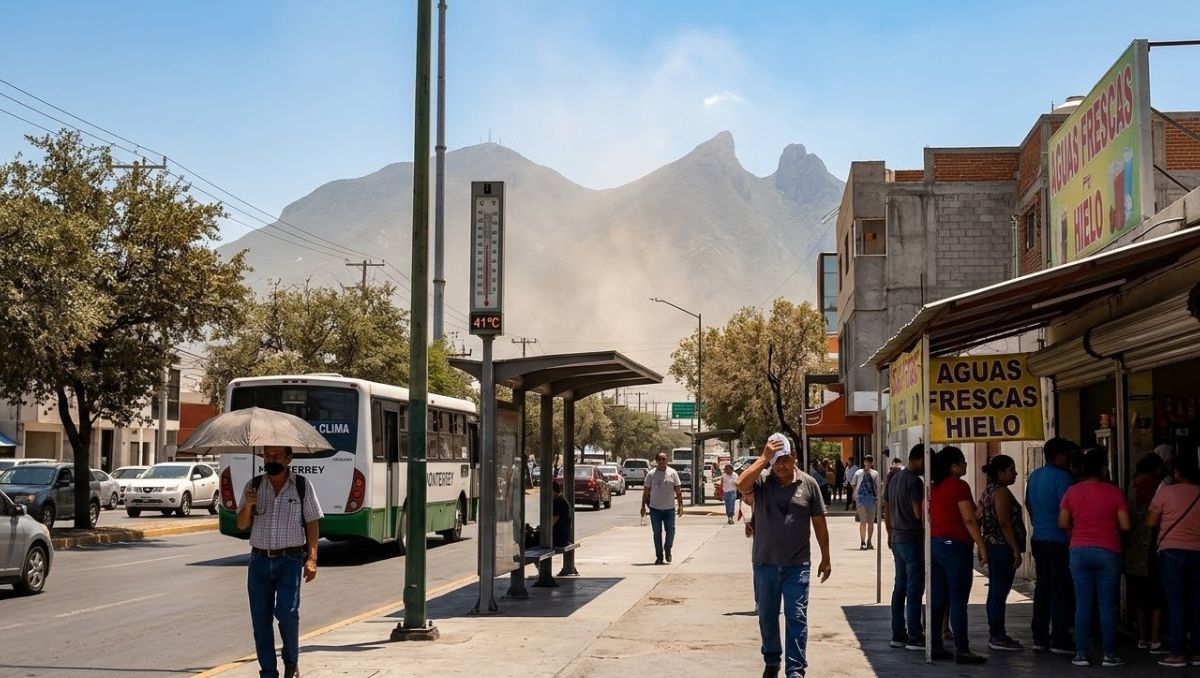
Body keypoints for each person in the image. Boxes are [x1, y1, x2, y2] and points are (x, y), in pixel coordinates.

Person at [736, 433, 832, 678]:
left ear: (795, 459)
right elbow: (741, 484)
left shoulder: (809, 484)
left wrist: (826, 557)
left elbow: (819, 523)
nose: (781, 465)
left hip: (797, 566)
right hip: (765, 563)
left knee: (796, 617)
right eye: (776, 460)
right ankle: (771, 660)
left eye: (785, 459)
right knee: (767, 617)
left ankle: (795, 669)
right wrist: (763, 458)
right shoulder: (763, 480)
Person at [236, 445, 322, 678]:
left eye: (276, 456)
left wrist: (312, 558)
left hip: (290, 560)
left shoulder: (302, 486)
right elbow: (242, 524)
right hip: (259, 561)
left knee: (287, 612)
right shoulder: (252, 486)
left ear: (289, 458)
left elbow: (312, 522)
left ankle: (291, 661)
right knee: (261, 620)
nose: (270, 459)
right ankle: (268, 672)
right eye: (266, 455)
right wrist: (249, 505)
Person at [1059, 447, 1131, 667]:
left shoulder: (1072, 491)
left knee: (1083, 604)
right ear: (1103, 468)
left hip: (1079, 552)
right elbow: (1126, 525)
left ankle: (1081, 654)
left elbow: (1062, 523)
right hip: (1108, 552)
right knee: (1106, 606)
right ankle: (1109, 655)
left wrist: (1078, 530)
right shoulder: (1114, 492)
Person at [929, 446, 988, 664]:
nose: (965, 465)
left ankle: (934, 645)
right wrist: (981, 545)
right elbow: (969, 519)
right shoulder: (959, 486)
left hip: (935, 545)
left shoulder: (932, 487)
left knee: (937, 599)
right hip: (956, 546)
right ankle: (962, 649)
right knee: (958, 600)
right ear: (954, 466)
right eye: (962, 461)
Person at [1145, 452, 1200, 668]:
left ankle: (1177, 653)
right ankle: (1197, 653)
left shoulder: (1166, 492)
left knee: (1175, 603)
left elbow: (1150, 521)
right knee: (1196, 602)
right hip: (1198, 552)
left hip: (1171, 553)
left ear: (1176, 473)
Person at [1025, 436, 1077, 655]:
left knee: (1043, 587)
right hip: (1059, 540)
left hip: (1039, 537)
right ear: (1060, 456)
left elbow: (1028, 504)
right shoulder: (1063, 478)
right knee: (1061, 589)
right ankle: (1060, 637)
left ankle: (1039, 636)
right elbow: (1069, 512)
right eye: (1068, 455)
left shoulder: (1035, 476)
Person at [978, 454, 1026, 652]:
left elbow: (979, 517)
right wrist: (1015, 548)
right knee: (999, 592)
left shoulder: (987, 491)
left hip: (992, 546)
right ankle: (997, 635)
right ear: (1001, 473)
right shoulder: (1001, 492)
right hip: (1001, 548)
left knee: (996, 592)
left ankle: (997, 632)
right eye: (1011, 470)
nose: (1014, 474)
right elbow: (1005, 523)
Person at [883, 444, 925, 651]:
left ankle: (898, 633)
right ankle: (915, 636)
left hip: (897, 538)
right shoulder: (915, 482)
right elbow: (919, 513)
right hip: (912, 538)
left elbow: (887, 508)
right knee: (914, 589)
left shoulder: (894, 479)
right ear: (919, 459)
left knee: (900, 587)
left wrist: (889, 532)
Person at [1124, 452, 1165, 654]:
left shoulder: (1132, 484)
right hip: (1152, 546)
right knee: (1157, 595)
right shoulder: (1157, 485)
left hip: (1133, 549)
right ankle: (1155, 639)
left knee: (1139, 595)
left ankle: (1143, 636)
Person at [640, 452, 683, 564]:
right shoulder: (651, 474)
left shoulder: (673, 473)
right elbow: (646, 491)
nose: (661, 461)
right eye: (659, 459)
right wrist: (643, 506)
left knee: (671, 531)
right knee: (657, 533)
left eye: (663, 459)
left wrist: (681, 505)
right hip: (655, 509)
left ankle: (667, 549)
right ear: (656, 461)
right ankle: (659, 556)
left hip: (669, 509)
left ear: (667, 460)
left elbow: (678, 490)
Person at [852, 456, 880, 550]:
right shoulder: (858, 473)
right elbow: (854, 484)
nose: (867, 463)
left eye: (869, 462)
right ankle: (862, 541)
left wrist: (878, 498)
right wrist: (855, 495)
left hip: (872, 499)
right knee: (863, 521)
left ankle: (869, 541)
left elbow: (878, 486)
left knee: (871, 522)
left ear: (872, 463)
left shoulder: (875, 473)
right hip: (861, 499)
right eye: (866, 461)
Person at [551, 480, 571, 547]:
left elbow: (552, 522)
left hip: (558, 538)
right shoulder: (562, 500)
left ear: (553, 491)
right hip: (564, 537)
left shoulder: (558, 502)